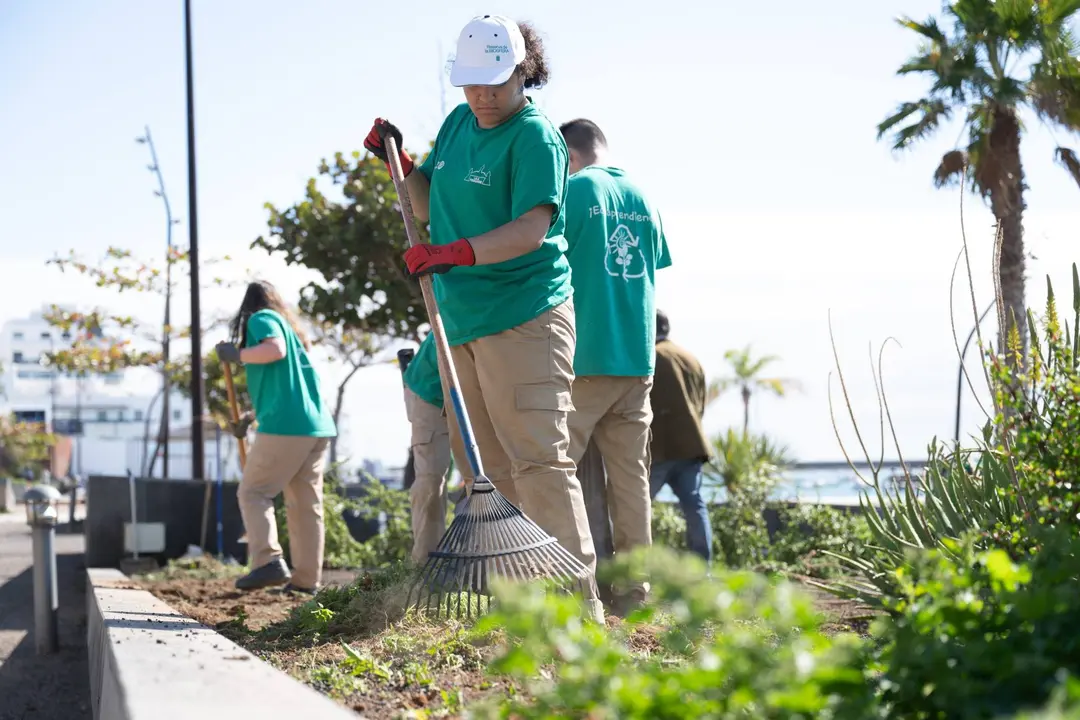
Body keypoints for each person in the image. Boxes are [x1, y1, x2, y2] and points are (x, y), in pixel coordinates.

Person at [362, 14, 602, 621]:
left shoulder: (535, 138)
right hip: (461, 320)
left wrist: (455, 253)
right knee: (486, 470)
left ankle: (581, 608)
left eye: (494, 82)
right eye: (471, 83)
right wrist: (400, 165)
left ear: (523, 72)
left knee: (539, 461)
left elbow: (530, 229)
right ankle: (521, 606)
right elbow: (427, 203)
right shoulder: (458, 124)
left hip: (525, 315)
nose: (482, 96)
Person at [558, 118, 672, 609]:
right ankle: (634, 591)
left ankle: (572, 586)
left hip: (586, 356)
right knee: (631, 480)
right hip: (637, 359)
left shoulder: (576, 190)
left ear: (570, 155)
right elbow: (652, 267)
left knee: (552, 469)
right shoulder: (644, 197)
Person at [215, 280, 338, 594]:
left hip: (285, 425)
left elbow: (273, 350)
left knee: (253, 492)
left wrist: (238, 353)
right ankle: (306, 581)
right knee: (305, 505)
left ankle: (267, 561)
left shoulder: (262, 318)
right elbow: (285, 385)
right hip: (315, 425)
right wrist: (249, 418)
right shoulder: (292, 331)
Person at [649, 310, 713, 563]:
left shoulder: (652, 356)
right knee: (695, 506)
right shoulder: (690, 357)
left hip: (660, 449)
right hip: (691, 445)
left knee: (636, 508)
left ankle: (633, 569)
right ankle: (702, 569)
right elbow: (701, 403)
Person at [399, 334, 453, 563]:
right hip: (430, 390)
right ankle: (427, 564)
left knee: (490, 474)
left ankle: (481, 557)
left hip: (480, 388)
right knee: (431, 479)